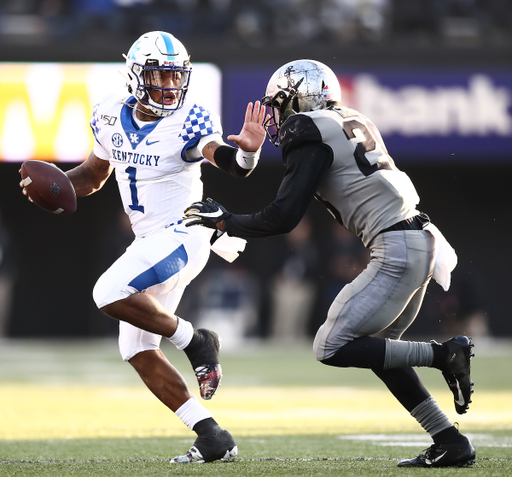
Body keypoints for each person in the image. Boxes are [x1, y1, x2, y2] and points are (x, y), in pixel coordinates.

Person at [183, 59, 476, 468]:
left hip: (398, 244)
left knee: (331, 344)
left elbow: (284, 216)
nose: (276, 115)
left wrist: (227, 221)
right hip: (418, 238)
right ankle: (449, 441)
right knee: (378, 351)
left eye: (280, 103)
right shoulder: (348, 118)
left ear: (301, 99)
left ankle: (444, 355)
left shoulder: (308, 129)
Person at [20, 31, 266, 464]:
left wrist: (246, 154)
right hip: (148, 241)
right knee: (135, 349)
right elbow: (94, 176)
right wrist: (55, 185)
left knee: (107, 292)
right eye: (159, 76)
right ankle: (211, 435)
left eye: (176, 77)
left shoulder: (189, 117)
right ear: (135, 75)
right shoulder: (109, 114)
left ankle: (196, 340)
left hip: (184, 234)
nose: (170, 86)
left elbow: (226, 160)